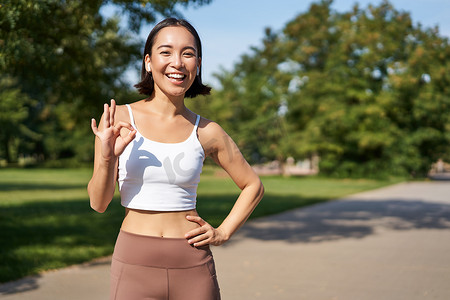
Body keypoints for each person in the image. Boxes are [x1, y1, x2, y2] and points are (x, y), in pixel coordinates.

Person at [87, 17, 264, 300]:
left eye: (188, 53)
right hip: (134, 263)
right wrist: (107, 156)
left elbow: (253, 185)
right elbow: (98, 203)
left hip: (192, 263)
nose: (178, 62)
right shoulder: (118, 118)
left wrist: (223, 232)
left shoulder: (209, 131)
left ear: (198, 63)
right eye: (166, 52)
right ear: (148, 61)